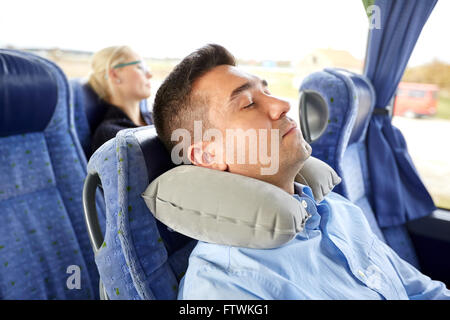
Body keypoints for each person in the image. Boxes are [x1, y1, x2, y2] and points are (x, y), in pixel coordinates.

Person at [152, 44, 450, 300]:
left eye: (267, 90)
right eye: (248, 104)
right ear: (207, 155)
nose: (282, 104)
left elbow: (421, 291)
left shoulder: (336, 208)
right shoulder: (226, 285)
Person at [88, 45, 153, 153]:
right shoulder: (112, 137)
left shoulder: (153, 118)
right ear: (114, 75)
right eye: (140, 67)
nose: (150, 75)